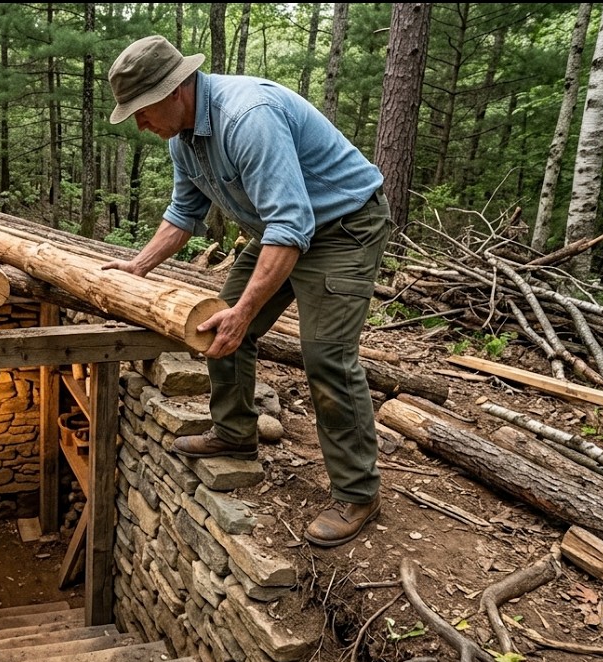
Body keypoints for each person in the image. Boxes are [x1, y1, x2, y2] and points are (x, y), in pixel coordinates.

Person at [102, 35, 391, 548]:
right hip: (279, 230)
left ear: (175, 91)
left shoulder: (247, 117)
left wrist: (246, 310)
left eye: (142, 111)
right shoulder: (182, 139)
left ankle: (357, 492)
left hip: (343, 228)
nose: (140, 124)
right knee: (215, 320)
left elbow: (292, 221)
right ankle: (235, 433)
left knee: (325, 353)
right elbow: (182, 216)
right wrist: (137, 266)